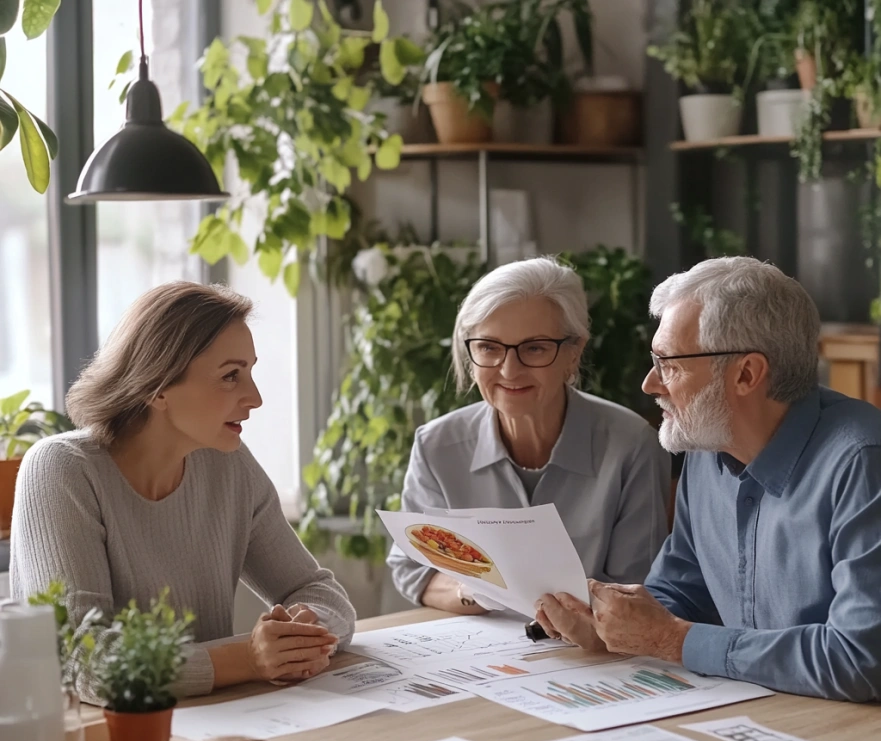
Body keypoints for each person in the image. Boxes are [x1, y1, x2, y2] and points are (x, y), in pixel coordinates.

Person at [535, 256, 881, 741]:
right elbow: (681, 589)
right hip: (754, 721)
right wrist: (609, 623)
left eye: (669, 363)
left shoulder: (862, 461)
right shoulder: (704, 449)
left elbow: (861, 659)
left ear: (747, 372)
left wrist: (671, 639)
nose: (649, 383)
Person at [11, 282, 356, 701]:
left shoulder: (228, 462)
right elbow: (79, 660)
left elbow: (319, 591)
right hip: (100, 736)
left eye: (250, 372)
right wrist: (246, 659)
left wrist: (305, 629)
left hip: (217, 715)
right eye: (230, 376)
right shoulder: (61, 469)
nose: (256, 398)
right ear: (156, 386)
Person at [388, 256, 671, 614]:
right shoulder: (436, 447)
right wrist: (473, 591)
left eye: (534, 348)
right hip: (476, 652)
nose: (509, 370)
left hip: (592, 654)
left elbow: (634, 590)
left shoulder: (632, 446)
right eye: (489, 347)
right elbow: (413, 570)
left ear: (574, 352)